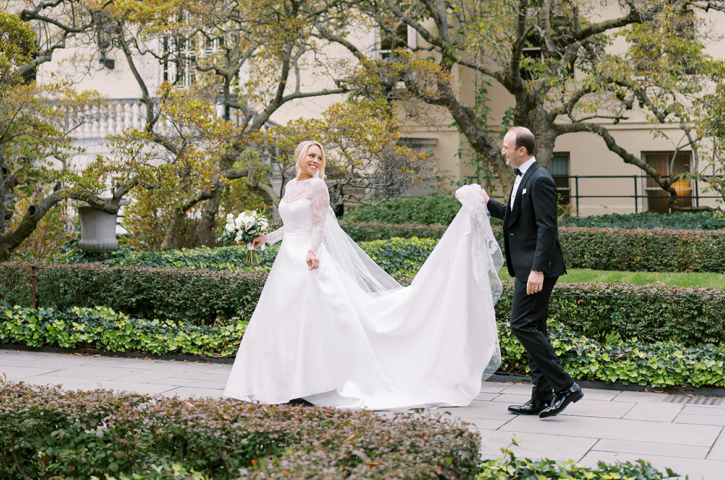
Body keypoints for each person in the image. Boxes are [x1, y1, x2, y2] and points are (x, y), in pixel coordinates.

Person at [223, 139, 504, 410]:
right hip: (287, 258)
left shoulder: (318, 186)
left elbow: (319, 223)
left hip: (309, 259)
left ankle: (312, 383)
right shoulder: (290, 186)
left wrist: (313, 251)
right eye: (311, 156)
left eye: (319, 158)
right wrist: (266, 238)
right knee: (283, 319)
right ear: (299, 156)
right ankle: (279, 381)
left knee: (311, 321)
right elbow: (292, 224)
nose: (315, 161)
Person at [482, 127, 583, 419]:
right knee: (535, 328)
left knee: (521, 324)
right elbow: (516, 217)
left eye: (506, 147)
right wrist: (487, 203)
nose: (502, 151)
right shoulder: (522, 178)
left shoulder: (540, 179)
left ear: (521, 151)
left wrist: (538, 269)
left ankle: (565, 387)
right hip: (526, 267)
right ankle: (541, 398)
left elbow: (547, 228)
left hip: (537, 269)